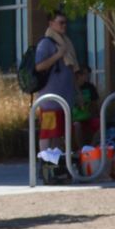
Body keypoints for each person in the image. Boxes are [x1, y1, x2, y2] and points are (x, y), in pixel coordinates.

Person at [31, 13, 77, 184]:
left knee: (59, 135)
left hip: (64, 99)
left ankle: (56, 168)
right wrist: (58, 55)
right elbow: (39, 66)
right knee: (47, 133)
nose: (64, 26)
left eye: (66, 23)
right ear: (51, 23)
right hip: (50, 100)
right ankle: (45, 166)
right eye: (61, 23)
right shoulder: (47, 43)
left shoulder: (65, 43)